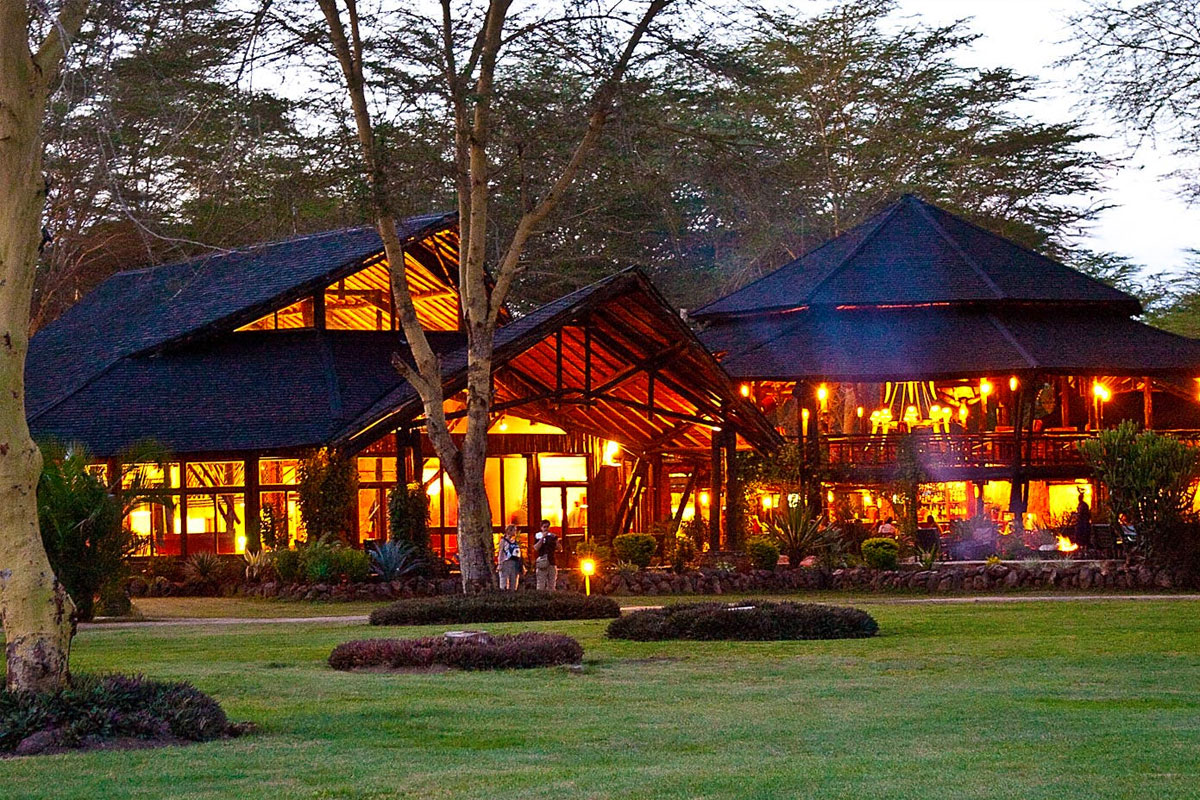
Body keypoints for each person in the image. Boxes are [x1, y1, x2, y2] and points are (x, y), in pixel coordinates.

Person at [533, 519, 559, 591]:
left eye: (547, 527)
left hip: (552, 561)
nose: (546, 529)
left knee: (552, 584)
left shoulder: (552, 536)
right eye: (544, 527)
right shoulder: (538, 536)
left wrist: (556, 541)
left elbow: (559, 548)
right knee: (541, 584)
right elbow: (536, 548)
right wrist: (542, 538)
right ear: (541, 527)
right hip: (542, 561)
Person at [497, 524, 523, 591]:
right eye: (514, 530)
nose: (515, 532)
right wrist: (500, 563)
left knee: (514, 581)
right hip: (506, 562)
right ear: (509, 531)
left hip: (515, 563)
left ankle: (513, 592)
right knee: (504, 580)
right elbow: (500, 552)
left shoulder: (515, 541)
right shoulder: (503, 541)